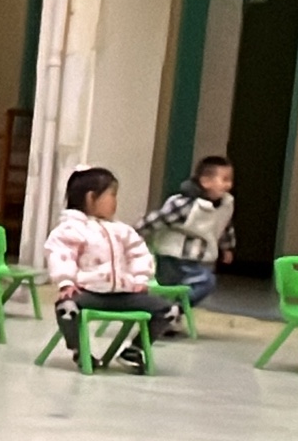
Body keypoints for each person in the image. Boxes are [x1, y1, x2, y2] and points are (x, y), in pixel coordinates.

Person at [47, 166, 174, 373]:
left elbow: (139, 254)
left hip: (123, 295)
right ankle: (79, 351)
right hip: (89, 294)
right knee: (66, 307)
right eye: (112, 195)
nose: (115, 201)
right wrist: (66, 282)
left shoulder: (122, 230)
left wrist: (140, 279)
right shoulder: (71, 229)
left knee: (169, 310)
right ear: (91, 198)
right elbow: (61, 255)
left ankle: (134, 350)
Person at [139, 155, 236, 307]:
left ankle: (168, 309)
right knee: (206, 281)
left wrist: (227, 247)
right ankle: (171, 309)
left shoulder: (225, 204)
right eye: (224, 179)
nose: (228, 185)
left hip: (197, 258)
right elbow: (157, 219)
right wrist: (133, 235)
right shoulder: (186, 204)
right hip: (174, 257)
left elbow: (225, 225)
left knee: (198, 283)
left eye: (230, 180)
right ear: (205, 181)